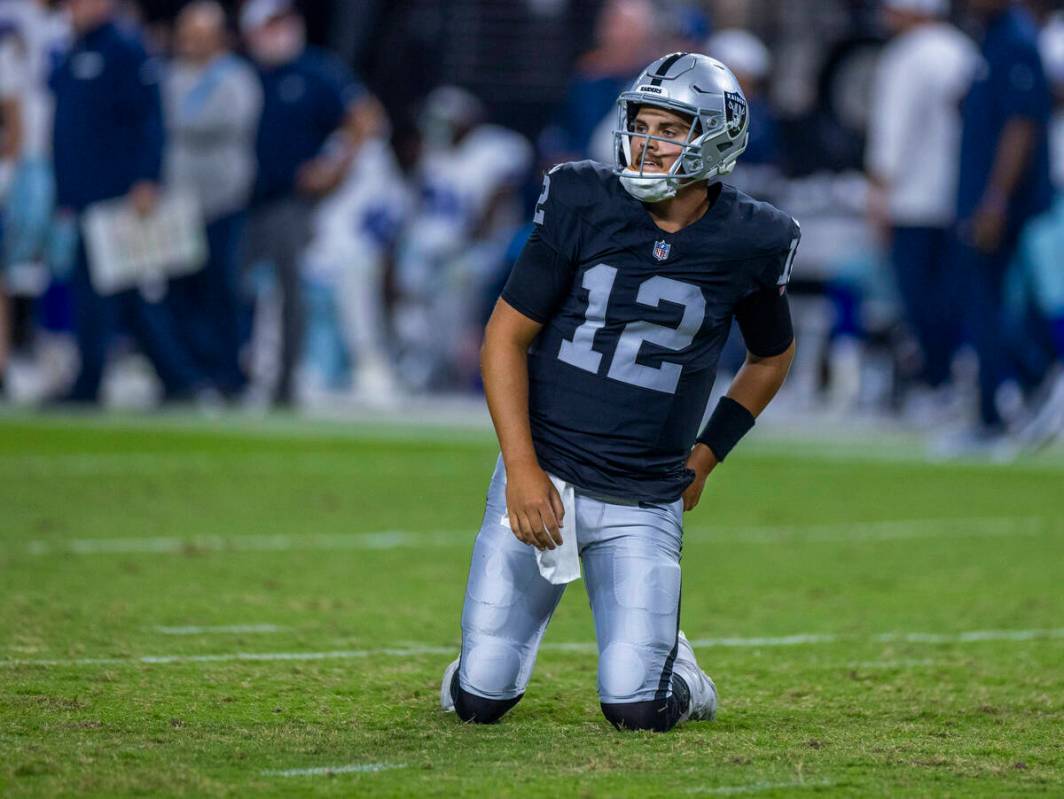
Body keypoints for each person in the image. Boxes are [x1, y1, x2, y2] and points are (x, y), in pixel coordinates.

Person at [439, 53, 800, 732]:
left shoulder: (752, 237)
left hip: (642, 494)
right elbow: (503, 339)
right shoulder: (583, 198)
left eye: (670, 127)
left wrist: (709, 452)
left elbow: (771, 356)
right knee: (478, 698)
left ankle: (676, 667)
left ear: (716, 136)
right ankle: (484, 669)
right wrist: (520, 470)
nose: (648, 141)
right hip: (544, 476)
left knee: (639, 707)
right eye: (642, 123)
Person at [49, 0, 207, 404]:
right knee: (121, 297)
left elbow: (151, 118)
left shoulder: (125, 47)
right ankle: (176, 380)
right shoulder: (75, 48)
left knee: (118, 295)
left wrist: (147, 178)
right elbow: (69, 126)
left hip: (120, 196)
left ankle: (99, 382)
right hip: (85, 195)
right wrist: (65, 191)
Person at [240, 0, 375, 406]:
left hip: (289, 200)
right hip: (239, 198)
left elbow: (365, 116)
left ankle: (284, 384)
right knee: (234, 289)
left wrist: (333, 167)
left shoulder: (315, 70)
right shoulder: (243, 72)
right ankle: (229, 374)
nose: (281, 31)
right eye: (271, 24)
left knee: (290, 291)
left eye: (284, 21)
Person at [950, 0, 1053, 447]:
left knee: (991, 305)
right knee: (984, 305)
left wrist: (995, 200)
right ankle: (1009, 401)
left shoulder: (1016, 40)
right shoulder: (992, 38)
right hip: (984, 198)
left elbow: (1021, 126)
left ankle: (1012, 402)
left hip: (1003, 205)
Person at [865, 0, 976, 412]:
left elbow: (892, 134)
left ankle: (935, 381)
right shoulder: (962, 50)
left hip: (912, 200)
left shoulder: (905, 57)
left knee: (917, 299)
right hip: (957, 197)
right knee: (951, 296)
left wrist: (878, 194)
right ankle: (951, 378)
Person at [163, 0, 261, 397]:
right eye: (186, 36)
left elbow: (223, 121)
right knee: (180, 294)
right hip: (178, 201)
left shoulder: (235, 77)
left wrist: (179, 124)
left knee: (223, 292)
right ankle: (189, 374)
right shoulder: (171, 75)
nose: (191, 44)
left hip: (223, 199)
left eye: (200, 36)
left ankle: (228, 374)